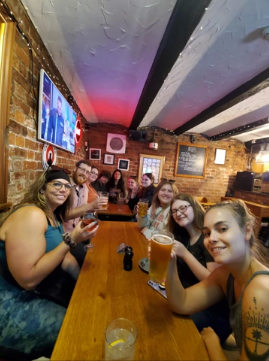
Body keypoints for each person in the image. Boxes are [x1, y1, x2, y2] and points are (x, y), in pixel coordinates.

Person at [0, 168, 99, 361]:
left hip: (36, 290)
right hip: (10, 302)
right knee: (78, 329)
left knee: (88, 309)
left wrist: (85, 284)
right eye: (57, 184)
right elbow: (27, 280)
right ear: (42, 188)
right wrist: (71, 240)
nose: (63, 189)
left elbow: (65, 258)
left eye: (67, 186)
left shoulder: (52, 215)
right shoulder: (32, 214)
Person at [166, 200, 269, 361]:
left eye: (222, 229)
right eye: (207, 233)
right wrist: (169, 261)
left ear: (247, 231)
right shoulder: (226, 274)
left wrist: (212, 342)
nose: (211, 239)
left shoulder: (260, 291)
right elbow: (181, 302)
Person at [167, 194, 231, 344]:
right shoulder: (183, 237)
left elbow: (214, 281)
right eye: (174, 211)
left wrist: (185, 254)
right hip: (187, 297)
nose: (178, 213)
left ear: (194, 207)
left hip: (210, 309)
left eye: (183, 207)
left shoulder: (209, 239)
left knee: (172, 330)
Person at [64, 160, 107, 266]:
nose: (85, 174)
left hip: (79, 230)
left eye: (87, 172)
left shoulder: (85, 189)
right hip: (66, 236)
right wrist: (91, 205)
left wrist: (93, 211)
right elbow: (65, 215)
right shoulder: (65, 186)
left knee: (101, 248)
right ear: (75, 168)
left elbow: (84, 211)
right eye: (82, 170)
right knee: (90, 260)